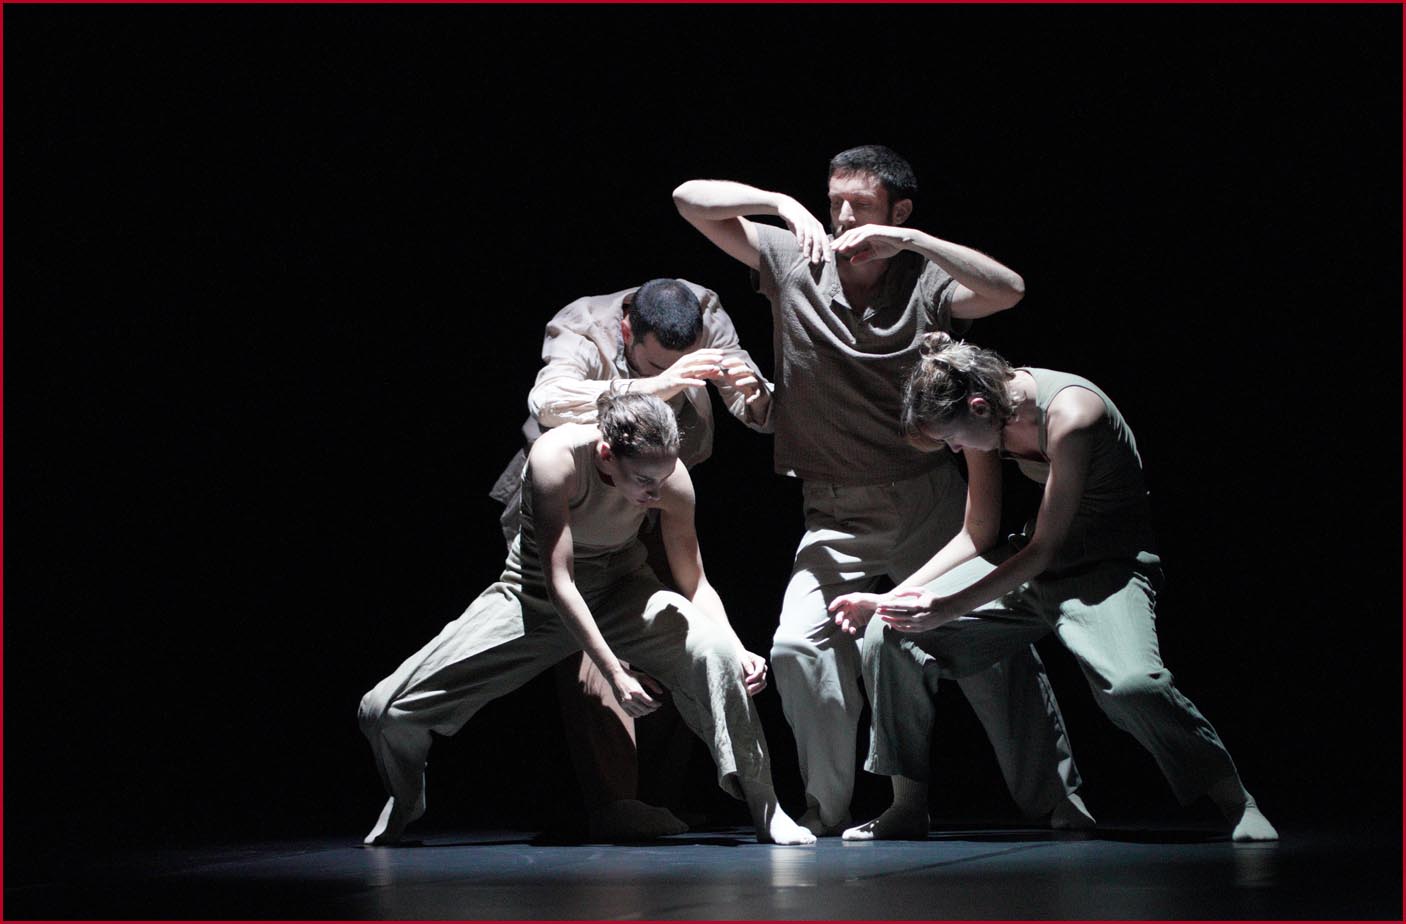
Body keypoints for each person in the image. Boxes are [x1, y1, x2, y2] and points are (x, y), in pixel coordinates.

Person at [673, 145, 1092, 836]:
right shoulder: (793, 257)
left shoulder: (926, 281)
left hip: (925, 498)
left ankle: (1056, 797)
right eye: (835, 202)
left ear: (898, 211)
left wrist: (914, 242)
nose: (844, 217)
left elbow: (1008, 290)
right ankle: (826, 807)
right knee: (796, 648)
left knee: (984, 642)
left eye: (861, 205)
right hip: (833, 509)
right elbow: (689, 198)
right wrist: (780, 204)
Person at [830, 333, 1278, 842]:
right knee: (889, 632)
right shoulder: (987, 417)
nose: (954, 449)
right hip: (1031, 565)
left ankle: (1236, 800)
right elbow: (978, 532)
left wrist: (947, 606)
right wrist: (889, 600)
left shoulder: (1072, 416)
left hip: (1104, 568)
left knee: (1133, 685)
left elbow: (1045, 548)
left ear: (978, 407)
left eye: (953, 438)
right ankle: (907, 806)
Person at [360, 392, 815, 847]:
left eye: (662, 478)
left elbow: (694, 581)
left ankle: (766, 806)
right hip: (535, 596)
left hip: (623, 588)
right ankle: (404, 799)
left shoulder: (669, 478)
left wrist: (734, 645)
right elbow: (561, 583)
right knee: (385, 710)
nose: (656, 493)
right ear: (606, 454)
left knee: (714, 651)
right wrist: (615, 673)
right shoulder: (555, 460)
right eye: (644, 481)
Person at [488, 278, 773, 840]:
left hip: (651, 491)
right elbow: (546, 401)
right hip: (574, 494)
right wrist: (658, 385)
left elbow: (759, 411)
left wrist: (757, 394)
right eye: (655, 361)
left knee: (678, 632)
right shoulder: (583, 324)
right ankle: (615, 801)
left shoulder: (705, 312)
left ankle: (658, 799)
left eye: (684, 360)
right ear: (626, 331)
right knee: (590, 642)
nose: (672, 372)